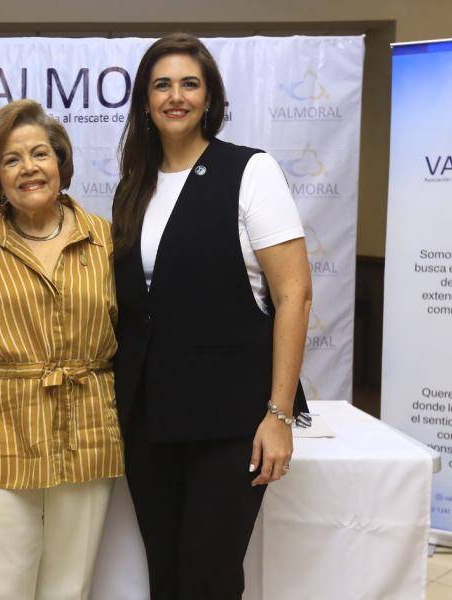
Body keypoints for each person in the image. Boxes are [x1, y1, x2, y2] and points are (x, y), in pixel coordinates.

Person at [112, 33, 312, 599]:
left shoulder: (250, 171)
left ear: (210, 98)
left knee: (209, 574)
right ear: (145, 102)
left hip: (232, 421)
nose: (176, 96)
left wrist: (278, 414)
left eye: (189, 84)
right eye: (162, 85)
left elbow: (294, 295)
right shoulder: (134, 187)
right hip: (150, 418)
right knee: (166, 571)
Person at [0, 99, 124, 600]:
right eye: (11, 159)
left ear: (61, 163)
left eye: (40, 154)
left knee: (70, 587)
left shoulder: (110, 242)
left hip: (85, 427)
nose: (29, 169)